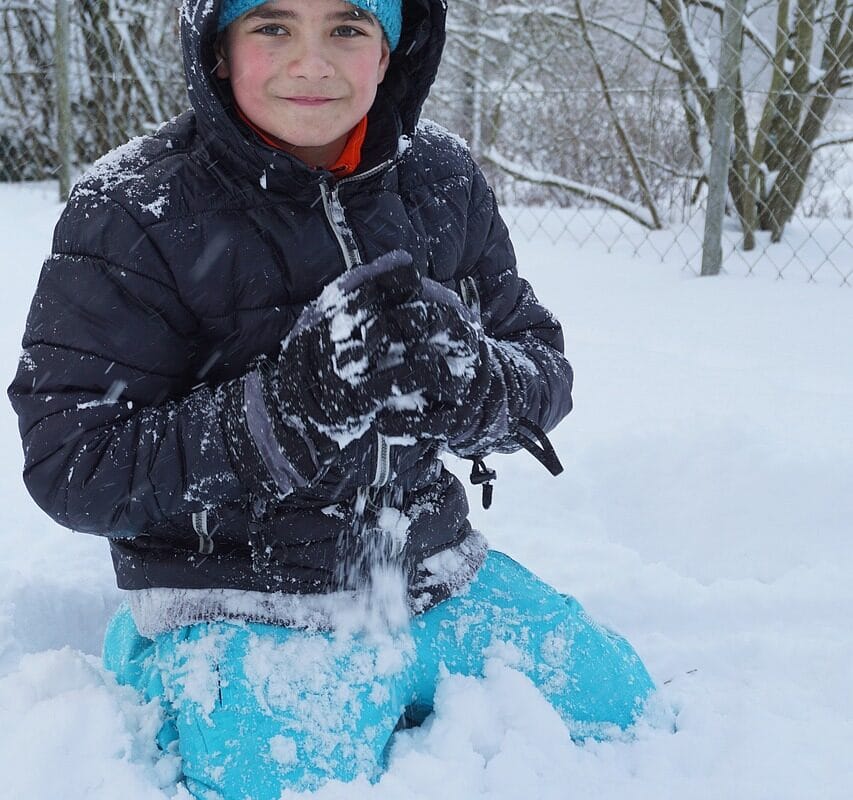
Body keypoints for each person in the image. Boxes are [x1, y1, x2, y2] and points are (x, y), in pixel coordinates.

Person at [8, 0, 654, 797]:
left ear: (389, 52)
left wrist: (473, 383)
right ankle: (154, 663)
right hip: (242, 598)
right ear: (218, 51)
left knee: (626, 716)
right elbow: (75, 465)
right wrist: (283, 411)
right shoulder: (134, 211)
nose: (311, 62)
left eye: (347, 28)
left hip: (427, 566)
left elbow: (538, 366)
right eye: (273, 27)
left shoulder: (440, 179)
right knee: (286, 785)